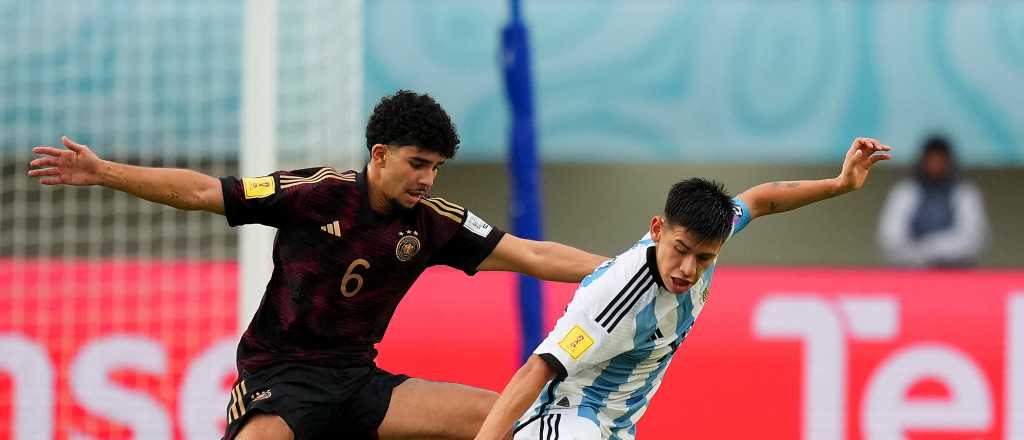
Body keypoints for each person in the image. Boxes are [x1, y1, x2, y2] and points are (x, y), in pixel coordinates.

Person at [27, 90, 607, 440]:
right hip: (278, 377)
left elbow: (532, 253)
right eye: (418, 163)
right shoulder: (315, 193)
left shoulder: (433, 220)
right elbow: (205, 191)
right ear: (379, 156)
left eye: (437, 167)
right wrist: (105, 173)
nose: (428, 178)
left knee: (499, 420)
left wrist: (632, 267)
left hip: (358, 380)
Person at [473, 138, 892, 440]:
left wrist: (839, 185)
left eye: (705, 258)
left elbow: (761, 200)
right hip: (565, 421)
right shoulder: (617, 293)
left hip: (615, 428)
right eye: (681, 250)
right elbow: (536, 370)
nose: (688, 270)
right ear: (657, 229)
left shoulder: (715, 227)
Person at [878, 135, 989, 268]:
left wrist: (933, 248)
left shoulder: (965, 193)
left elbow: (972, 240)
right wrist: (919, 255)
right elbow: (890, 239)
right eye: (931, 160)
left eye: (940, 160)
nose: (935, 165)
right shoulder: (905, 192)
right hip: (911, 272)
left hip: (956, 273)